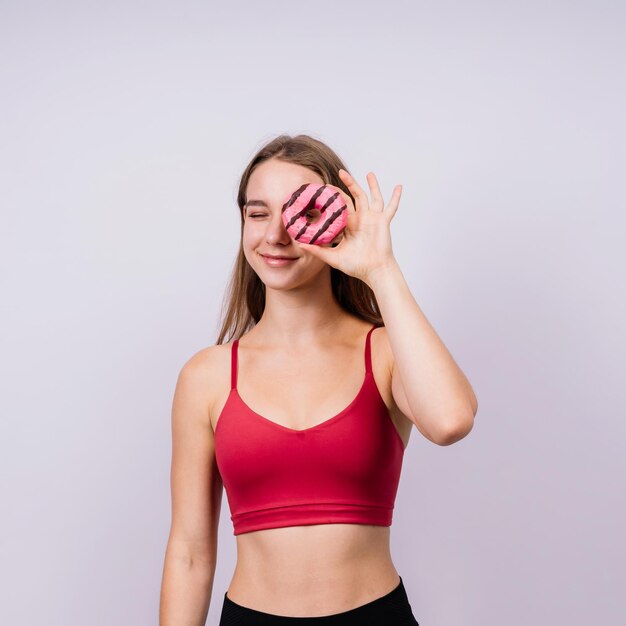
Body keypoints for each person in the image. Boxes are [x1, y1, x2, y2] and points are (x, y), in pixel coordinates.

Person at [159, 134, 478, 625]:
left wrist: (380, 269)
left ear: (335, 220)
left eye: (298, 214)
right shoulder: (207, 375)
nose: (275, 236)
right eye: (258, 213)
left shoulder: (386, 352)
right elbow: (189, 553)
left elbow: (451, 420)